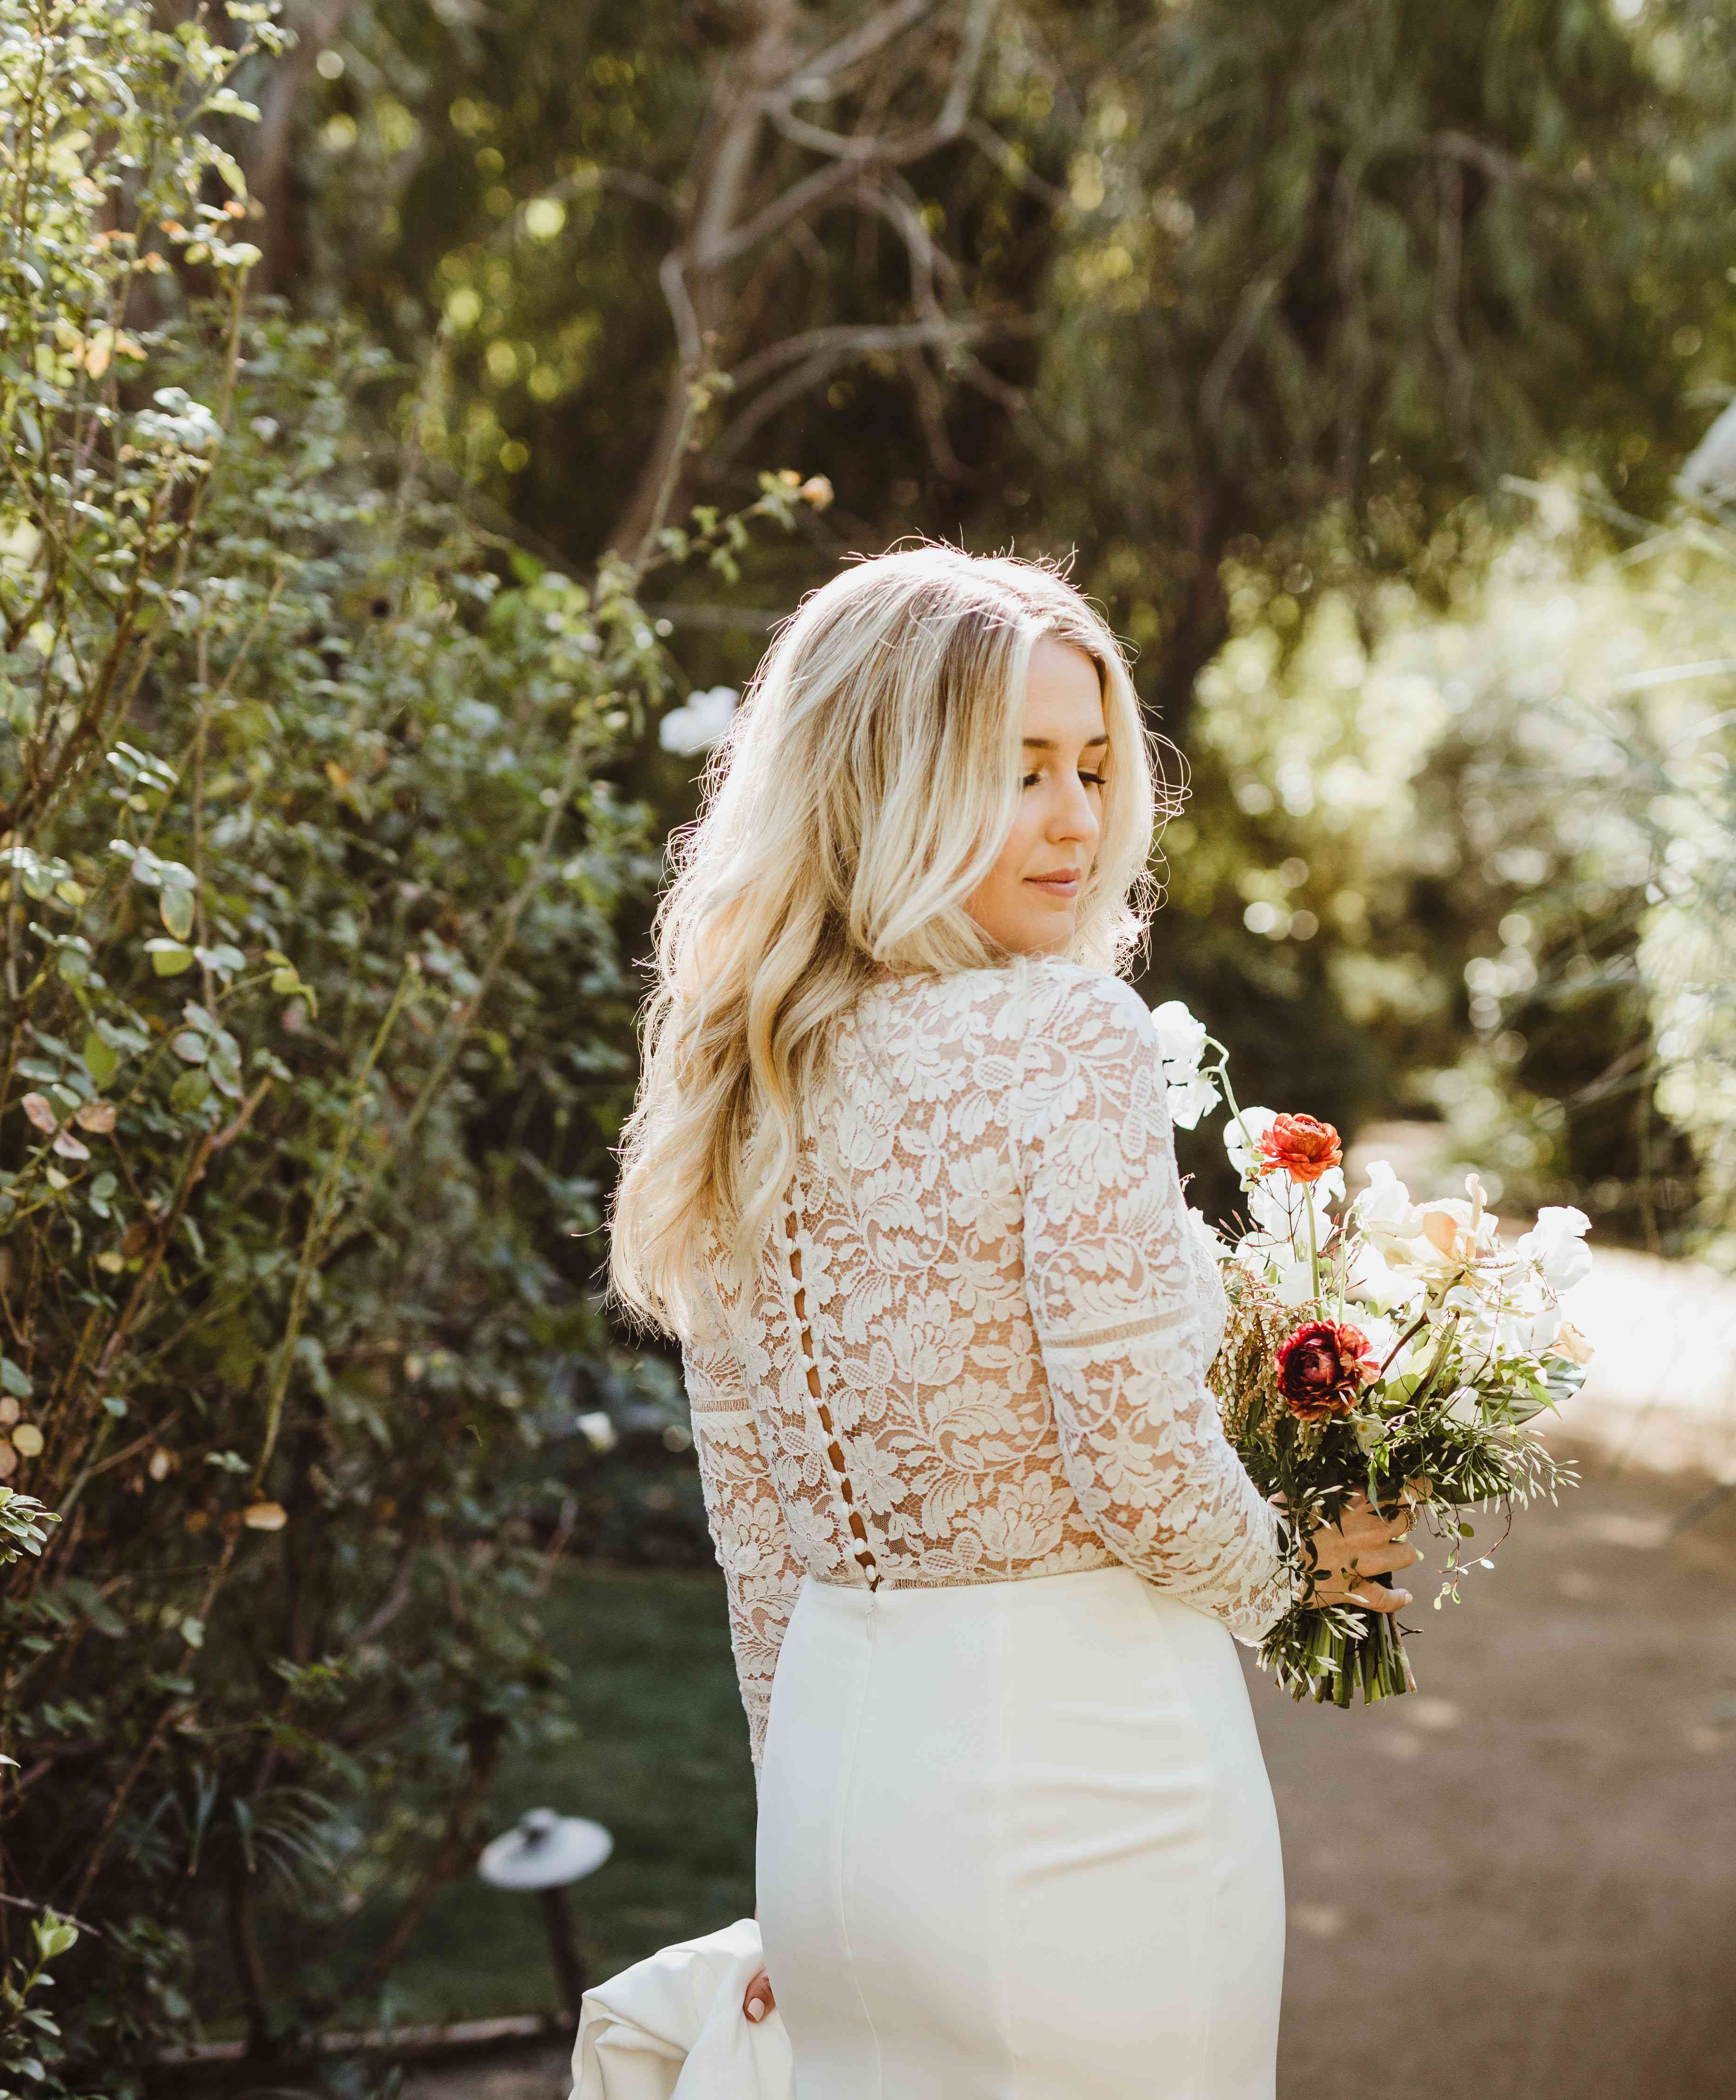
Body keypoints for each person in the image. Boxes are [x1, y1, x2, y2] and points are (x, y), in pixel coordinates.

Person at [606, 545, 1417, 2099]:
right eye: (1020, 769)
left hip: (845, 1811)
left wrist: (799, 1826)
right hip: (1089, 1779)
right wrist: (1305, 1583)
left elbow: (759, 1527)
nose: (1077, 819)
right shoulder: (1067, 1033)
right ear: (889, 782)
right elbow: (1142, 1468)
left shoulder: (745, 1070)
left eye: (1095, 766)